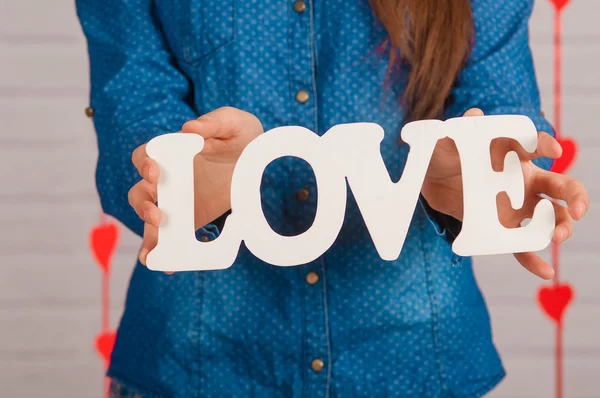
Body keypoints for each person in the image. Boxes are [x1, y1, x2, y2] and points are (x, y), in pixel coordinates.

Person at [76, 0, 589, 397]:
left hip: (418, 365)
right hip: (197, 364)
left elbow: (502, 105)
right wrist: (183, 185)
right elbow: (132, 98)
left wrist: (483, 180)